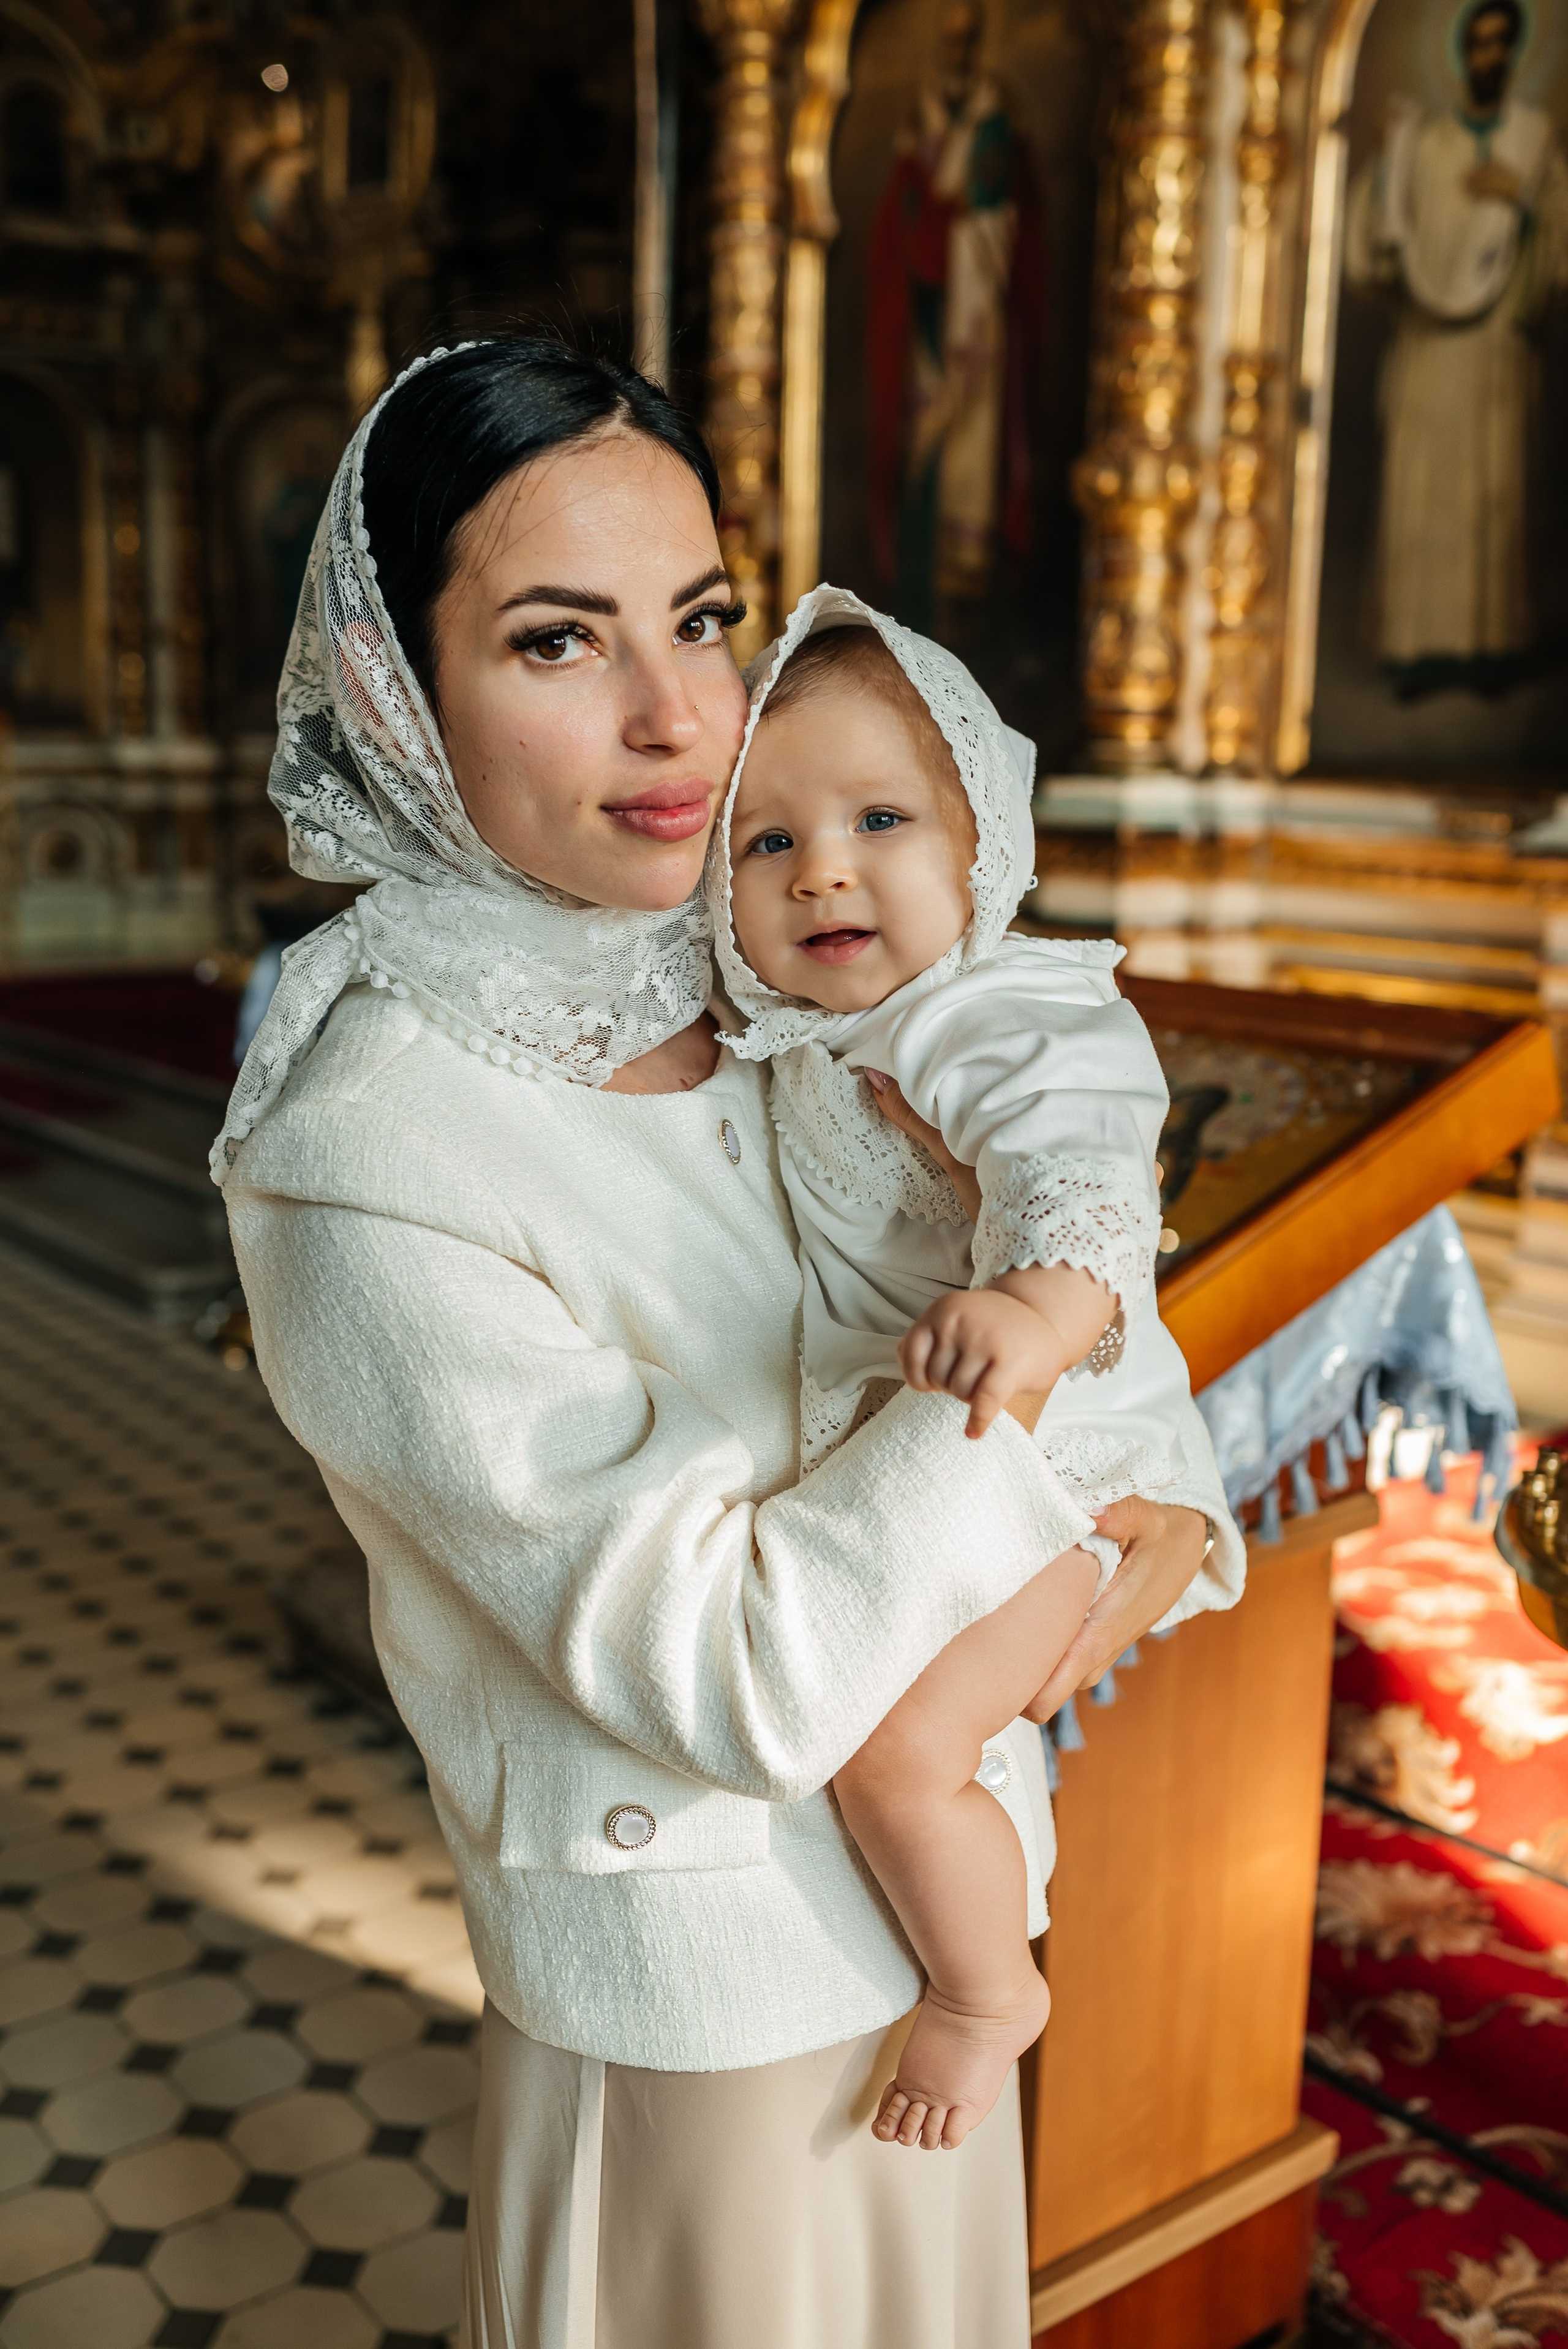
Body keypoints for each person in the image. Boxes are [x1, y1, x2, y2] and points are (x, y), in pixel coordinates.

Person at [215, 335, 1242, 2349]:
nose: (685, 714)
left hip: (931, 1935)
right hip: (709, 2011)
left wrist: (1146, 1518)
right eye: (556, 640)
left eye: (701, 616)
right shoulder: (375, 1152)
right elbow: (745, 1676)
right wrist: (1053, 1447)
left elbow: (1077, 1271)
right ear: (396, 698)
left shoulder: (780, 970)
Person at [711, 590, 1213, 2155]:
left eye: (877, 817)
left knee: (899, 1753)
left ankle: (986, 1986)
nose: (825, 869)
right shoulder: (788, 1034)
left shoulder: (996, 1004)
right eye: (764, 843)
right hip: (940, 1466)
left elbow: (1080, 1170)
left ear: (982, 838)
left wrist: (1040, 1305)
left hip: (1051, 1463)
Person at [1344, 0, 1568, 697]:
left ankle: (1491, 650)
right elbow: (1376, 243)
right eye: (1478, 45)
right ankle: (1417, 651)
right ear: (1460, 54)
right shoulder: (1429, 143)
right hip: (1427, 349)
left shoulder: (1534, 139)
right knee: (1421, 495)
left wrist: (1526, 202)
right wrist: (1389, 166)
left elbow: (1558, 242)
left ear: (1516, 54)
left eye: (1503, 45)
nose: (1489, 58)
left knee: (1492, 499)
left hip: (1496, 351)